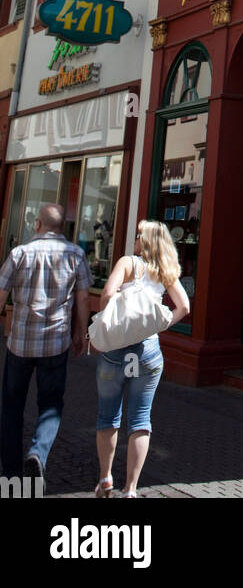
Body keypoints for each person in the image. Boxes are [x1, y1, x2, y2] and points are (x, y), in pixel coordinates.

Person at [0, 202, 92, 491]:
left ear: (38, 224)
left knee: (11, 407)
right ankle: (38, 454)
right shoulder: (76, 254)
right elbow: (84, 300)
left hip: (20, 344)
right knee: (50, 405)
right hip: (55, 343)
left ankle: (12, 474)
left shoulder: (20, 253)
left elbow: (1, 294)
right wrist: (80, 334)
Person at [94, 219, 189, 498]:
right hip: (147, 352)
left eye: (138, 235)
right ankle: (131, 489)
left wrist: (105, 322)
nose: (134, 239)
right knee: (140, 420)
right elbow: (183, 307)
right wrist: (158, 325)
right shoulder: (166, 272)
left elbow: (108, 294)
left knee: (108, 416)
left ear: (144, 241)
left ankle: (106, 478)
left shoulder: (128, 263)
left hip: (115, 351)